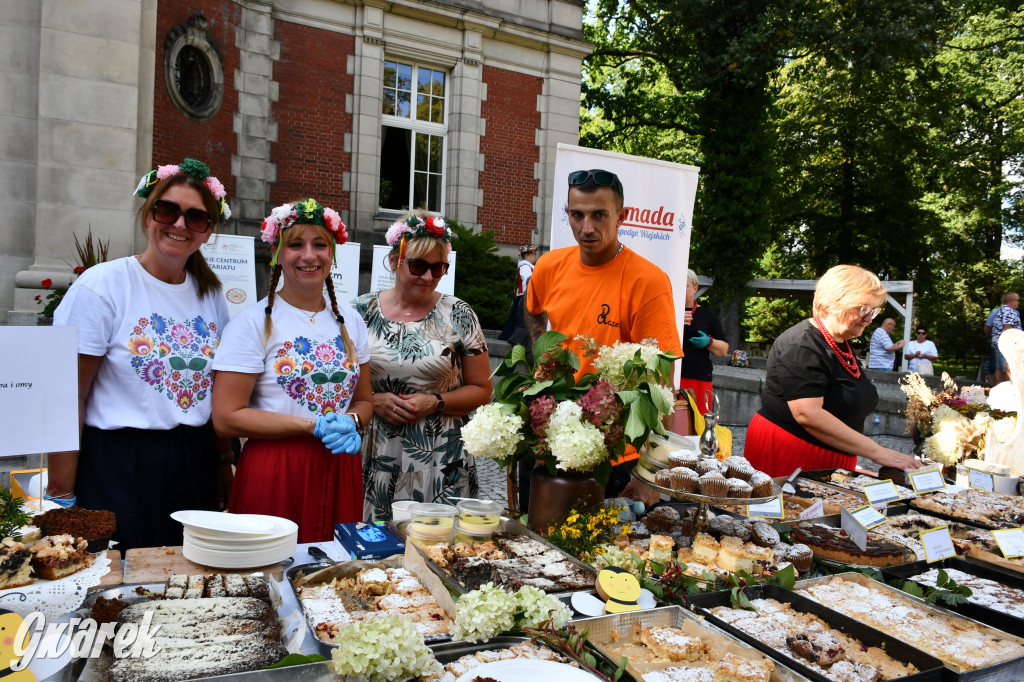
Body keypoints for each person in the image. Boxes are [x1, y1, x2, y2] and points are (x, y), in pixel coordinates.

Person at [49, 158, 233, 549]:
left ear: (208, 232)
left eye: (196, 217)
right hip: (118, 463)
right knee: (118, 586)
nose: (180, 225)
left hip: (192, 460)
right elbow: (68, 397)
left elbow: (214, 388)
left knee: (190, 581)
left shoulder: (211, 294)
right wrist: (62, 497)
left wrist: (221, 462)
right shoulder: (103, 287)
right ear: (148, 215)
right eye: (168, 210)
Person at [211, 199, 371, 542]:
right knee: (269, 574)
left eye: (320, 245)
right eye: (295, 244)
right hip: (276, 467)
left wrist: (352, 422)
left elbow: (364, 402)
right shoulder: (252, 324)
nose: (309, 256)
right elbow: (226, 417)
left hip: (338, 464)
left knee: (332, 575)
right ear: (278, 254)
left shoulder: (352, 321)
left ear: (333, 254)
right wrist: (311, 425)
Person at [524, 168, 682, 503]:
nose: (587, 228)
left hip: (614, 457)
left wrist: (651, 474)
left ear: (621, 216)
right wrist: (543, 356)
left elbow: (662, 388)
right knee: (535, 546)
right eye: (577, 215)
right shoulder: (550, 266)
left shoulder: (648, 282)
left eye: (599, 215)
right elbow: (532, 307)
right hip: (551, 444)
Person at [352, 213, 492, 521]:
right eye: (418, 266)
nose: (428, 277)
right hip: (375, 450)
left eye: (438, 268)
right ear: (394, 260)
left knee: (440, 548)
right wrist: (372, 401)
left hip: (441, 453)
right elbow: (339, 387)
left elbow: (482, 389)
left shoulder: (459, 314)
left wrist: (437, 401)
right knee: (371, 550)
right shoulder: (359, 312)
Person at [744, 265, 921, 477]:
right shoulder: (801, 344)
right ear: (834, 303)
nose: (869, 319)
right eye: (863, 310)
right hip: (792, 455)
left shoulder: (840, 342)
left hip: (830, 456)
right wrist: (876, 452)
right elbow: (808, 414)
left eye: (874, 312)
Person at [680, 268, 729, 415]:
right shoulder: (665, 311)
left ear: (695, 288)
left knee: (698, 423)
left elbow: (724, 349)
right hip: (671, 376)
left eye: (685, 285)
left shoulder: (707, 315)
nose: (681, 289)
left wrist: (709, 342)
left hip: (698, 378)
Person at [498, 244, 539, 355]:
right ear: (528, 255)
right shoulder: (525, 267)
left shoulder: (527, 266)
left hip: (523, 296)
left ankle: (511, 337)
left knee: (517, 319)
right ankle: (511, 337)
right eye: (534, 254)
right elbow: (527, 281)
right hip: (523, 296)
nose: (535, 256)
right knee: (519, 320)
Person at [990, 292, 1021, 386]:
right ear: (1011, 301)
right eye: (1018, 300)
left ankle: (999, 391)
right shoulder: (1009, 312)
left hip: (997, 344)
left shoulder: (999, 311)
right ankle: (1011, 392)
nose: (1019, 302)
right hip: (1007, 346)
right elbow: (1008, 328)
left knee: (998, 369)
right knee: (1009, 369)